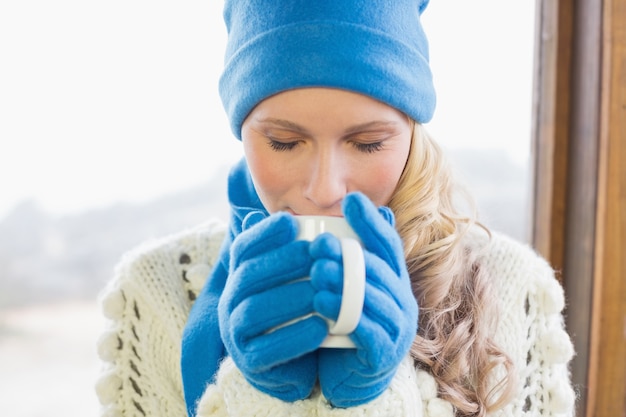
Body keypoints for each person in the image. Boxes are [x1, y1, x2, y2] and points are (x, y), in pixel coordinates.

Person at [95, 1, 576, 416]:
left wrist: (375, 398)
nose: (325, 189)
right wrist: (265, 399)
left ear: (411, 134)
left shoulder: (513, 290)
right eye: (284, 142)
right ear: (242, 132)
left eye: (367, 144)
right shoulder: (158, 295)